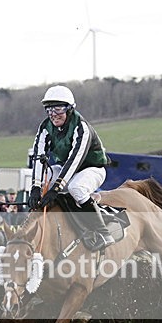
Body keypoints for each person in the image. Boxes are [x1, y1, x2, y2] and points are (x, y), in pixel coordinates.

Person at [27, 85, 115, 250]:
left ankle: (103, 232)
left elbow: (74, 161)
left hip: (92, 168)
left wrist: (56, 188)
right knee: (46, 185)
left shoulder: (81, 127)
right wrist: (36, 187)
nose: (54, 115)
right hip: (67, 169)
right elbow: (39, 157)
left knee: (76, 188)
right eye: (49, 110)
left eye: (58, 109)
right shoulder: (45, 127)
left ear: (69, 109)